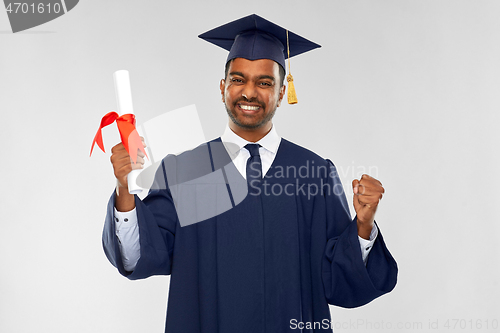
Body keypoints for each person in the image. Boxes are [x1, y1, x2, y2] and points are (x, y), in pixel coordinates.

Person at [102, 14, 398, 333]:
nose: (249, 92)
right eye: (238, 79)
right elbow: (140, 256)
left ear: (282, 93)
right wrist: (125, 192)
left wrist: (363, 225)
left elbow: (340, 280)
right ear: (223, 87)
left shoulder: (313, 174)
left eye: (264, 82)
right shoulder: (186, 171)